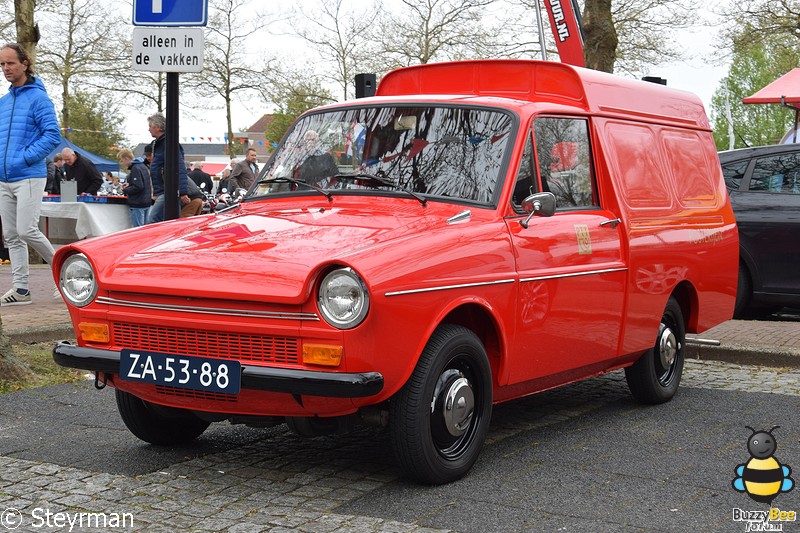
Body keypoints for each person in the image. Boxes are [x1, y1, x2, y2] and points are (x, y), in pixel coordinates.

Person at [0, 43, 61, 306]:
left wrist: (23, 157)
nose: (5, 69)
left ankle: (67, 277)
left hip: (29, 175)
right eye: (2, 64)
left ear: (25, 63)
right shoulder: (3, 102)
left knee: (26, 230)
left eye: (10, 63)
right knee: (11, 235)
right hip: (4, 178)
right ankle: (21, 289)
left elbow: (52, 135)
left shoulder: (39, 98)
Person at [146, 112, 190, 224]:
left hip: (167, 190)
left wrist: (183, 191)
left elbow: (179, 167)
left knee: (153, 220)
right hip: (164, 190)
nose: (148, 129)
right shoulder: (160, 144)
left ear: (158, 127)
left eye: (150, 126)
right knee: (171, 222)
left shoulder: (168, 144)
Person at [117, 148, 151, 227]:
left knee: (138, 228)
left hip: (138, 202)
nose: (121, 163)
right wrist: (130, 185)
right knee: (145, 228)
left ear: (126, 158)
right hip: (146, 201)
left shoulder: (135, 168)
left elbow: (138, 186)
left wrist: (125, 190)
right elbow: (143, 183)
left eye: (122, 160)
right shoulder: (142, 166)